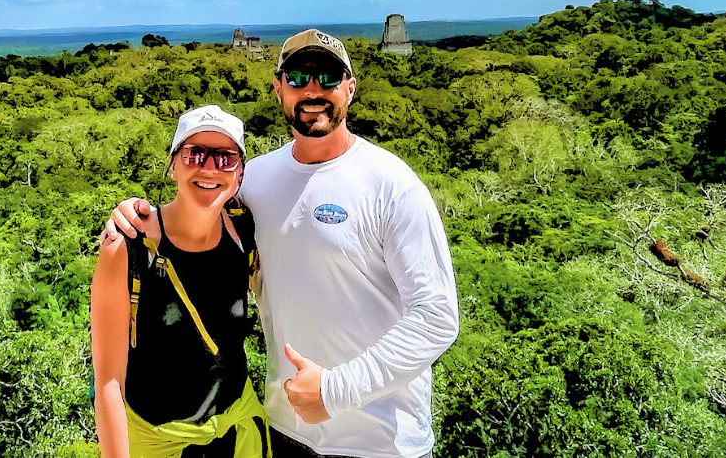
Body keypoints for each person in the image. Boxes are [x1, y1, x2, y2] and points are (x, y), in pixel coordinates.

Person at [107, 29, 459, 458]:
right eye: (297, 77)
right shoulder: (255, 179)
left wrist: (336, 390)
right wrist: (135, 213)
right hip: (282, 429)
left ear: (350, 87)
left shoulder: (391, 185)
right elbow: (195, 209)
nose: (313, 89)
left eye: (328, 76)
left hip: (380, 440)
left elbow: (437, 316)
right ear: (278, 89)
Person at [91, 105, 271, 457]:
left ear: (239, 174)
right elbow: (108, 383)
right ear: (173, 164)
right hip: (157, 440)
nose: (208, 167)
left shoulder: (244, 231)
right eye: (195, 154)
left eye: (225, 158)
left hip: (238, 424)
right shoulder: (128, 246)